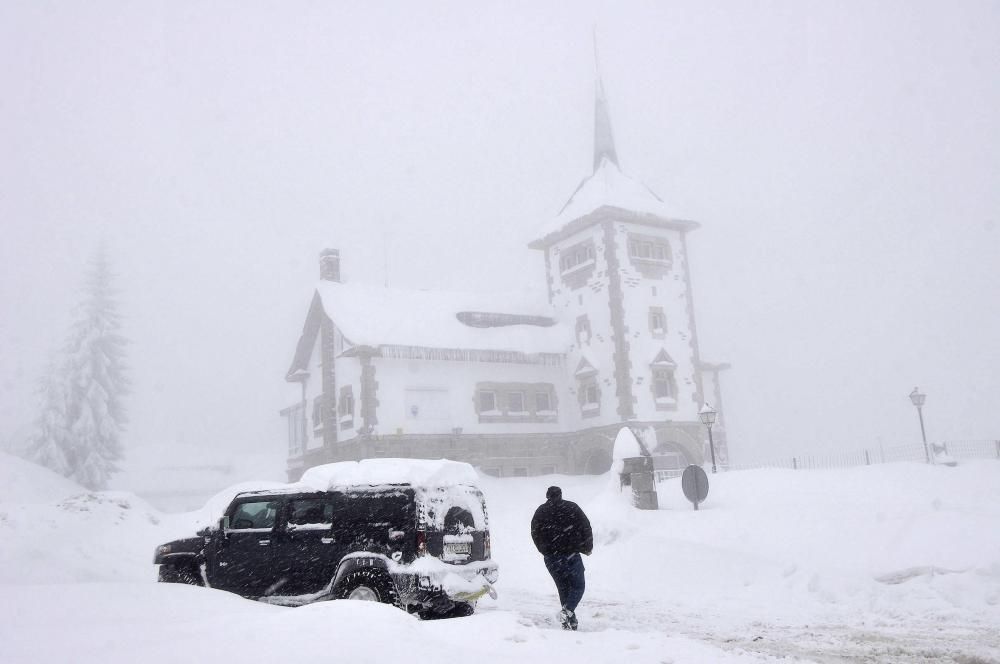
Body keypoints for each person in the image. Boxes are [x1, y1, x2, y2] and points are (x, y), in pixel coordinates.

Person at [530, 485, 593, 630]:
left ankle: (570, 620)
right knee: (578, 586)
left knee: (563, 587)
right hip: (571, 554)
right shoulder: (571, 508)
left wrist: (545, 550)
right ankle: (568, 611)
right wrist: (587, 547)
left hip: (552, 558)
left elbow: (535, 532)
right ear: (560, 494)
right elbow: (586, 526)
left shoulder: (541, 511)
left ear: (547, 496)